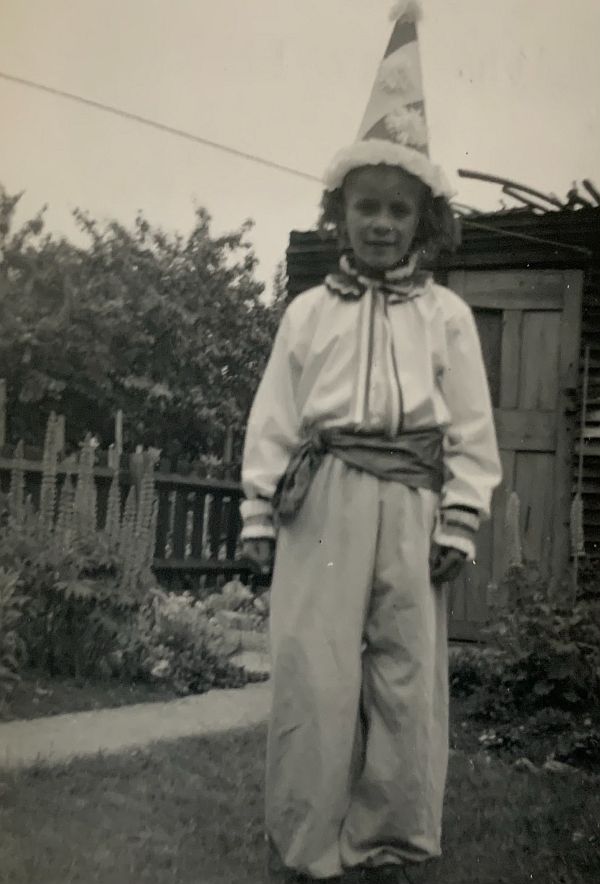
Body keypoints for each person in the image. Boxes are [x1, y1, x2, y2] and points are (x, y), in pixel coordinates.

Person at [240, 3, 502, 881]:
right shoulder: (309, 315)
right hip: (322, 499)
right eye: (366, 209)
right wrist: (258, 511)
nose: (381, 224)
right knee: (313, 674)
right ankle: (307, 842)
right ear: (339, 214)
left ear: (423, 222)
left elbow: (470, 427)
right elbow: (276, 415)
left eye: (398, 211)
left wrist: (460, 519)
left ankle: (390, 836)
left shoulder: (447, 318)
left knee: (404, 674)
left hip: (413, 506)